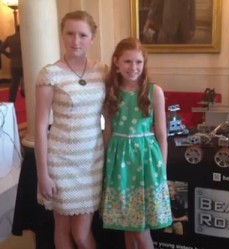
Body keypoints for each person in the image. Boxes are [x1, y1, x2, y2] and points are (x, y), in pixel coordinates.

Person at [34, 10, 106, 249]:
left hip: (92, 161)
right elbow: (41, 125)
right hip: (61, 161)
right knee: (63, 229)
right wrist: (43, 174)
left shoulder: (103, 71)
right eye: (70, 33)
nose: (76, 41)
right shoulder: (50, 73)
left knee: (82, 234)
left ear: (92, 39)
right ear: (62, 36)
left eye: (83, 35)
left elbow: (112, 117)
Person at [102, 37, 172, 249]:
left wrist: (163, 170)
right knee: (127, 224)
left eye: (138, 62)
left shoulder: (153, 92)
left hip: (146, 161)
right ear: (116, 62)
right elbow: (109, 131)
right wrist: (106, 163)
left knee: (141, 231)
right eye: (127, 62)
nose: (133, 67)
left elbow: (161, 133)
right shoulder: (110, 92)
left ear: (144, 63)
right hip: (119, 161)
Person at [0, 25, 24, 102]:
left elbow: (1, 49)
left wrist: (8, 55)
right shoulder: (25, 38)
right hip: (25, 65)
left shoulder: (10, 38)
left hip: (14, 64)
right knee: (28, 83)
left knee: (14, 85)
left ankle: (12, 102)